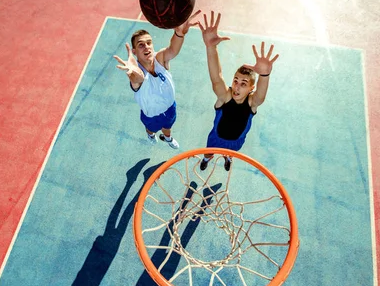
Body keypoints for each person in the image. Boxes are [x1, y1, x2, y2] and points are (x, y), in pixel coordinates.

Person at [197, 11, 279, 171]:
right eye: (235, 80)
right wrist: (211, 48)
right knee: (209, 152)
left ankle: (228, 158)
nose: (237, 86)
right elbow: (216, 78)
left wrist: (264, 75)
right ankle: (207, 159)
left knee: (230, 153)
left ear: (251, 88)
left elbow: (261, 97)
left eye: (243, 83)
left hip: (236, 140)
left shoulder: (251, 102)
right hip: (216, 137)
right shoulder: (225, 97)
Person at [113, 10, 201, 149]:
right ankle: (151, 134)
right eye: (141, 44)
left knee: (168, 126)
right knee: (151, 128)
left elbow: (173, 49)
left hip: (170, 108)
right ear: (134, 52)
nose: (146, 46)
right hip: (151, 116)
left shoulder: (160, 59)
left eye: (149, 43)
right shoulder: (137, 73)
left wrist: (179, 33)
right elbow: (137, 78)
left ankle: (168, 137)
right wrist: (132, 70)